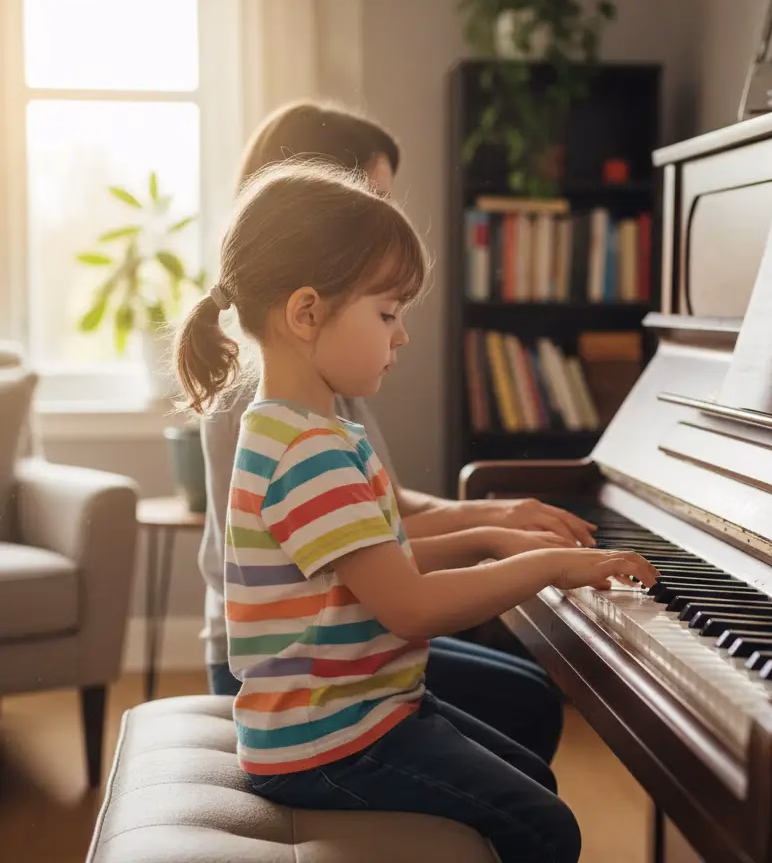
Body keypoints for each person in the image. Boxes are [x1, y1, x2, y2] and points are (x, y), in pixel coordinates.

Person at [175, 160, 658, 862]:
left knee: (533, 780)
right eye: (387, 313)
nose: (401, 336)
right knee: (546, 825)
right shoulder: (304, 451)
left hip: (363, 711)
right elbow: (411, 607)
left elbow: (374, 566)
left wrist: (492, 537)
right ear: (306, 312)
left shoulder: (304, 431)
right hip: (328, 742)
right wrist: (548, 564)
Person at [198, 101, 597, 764]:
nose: (393, 227)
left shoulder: (319, 379)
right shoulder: (264, 397)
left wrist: (498, 519)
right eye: (372, 203)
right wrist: (505, 543)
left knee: (523, 689)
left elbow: (380, 512)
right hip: (300, 664)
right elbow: (339, 550)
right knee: (523, 704)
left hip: (345, 634)